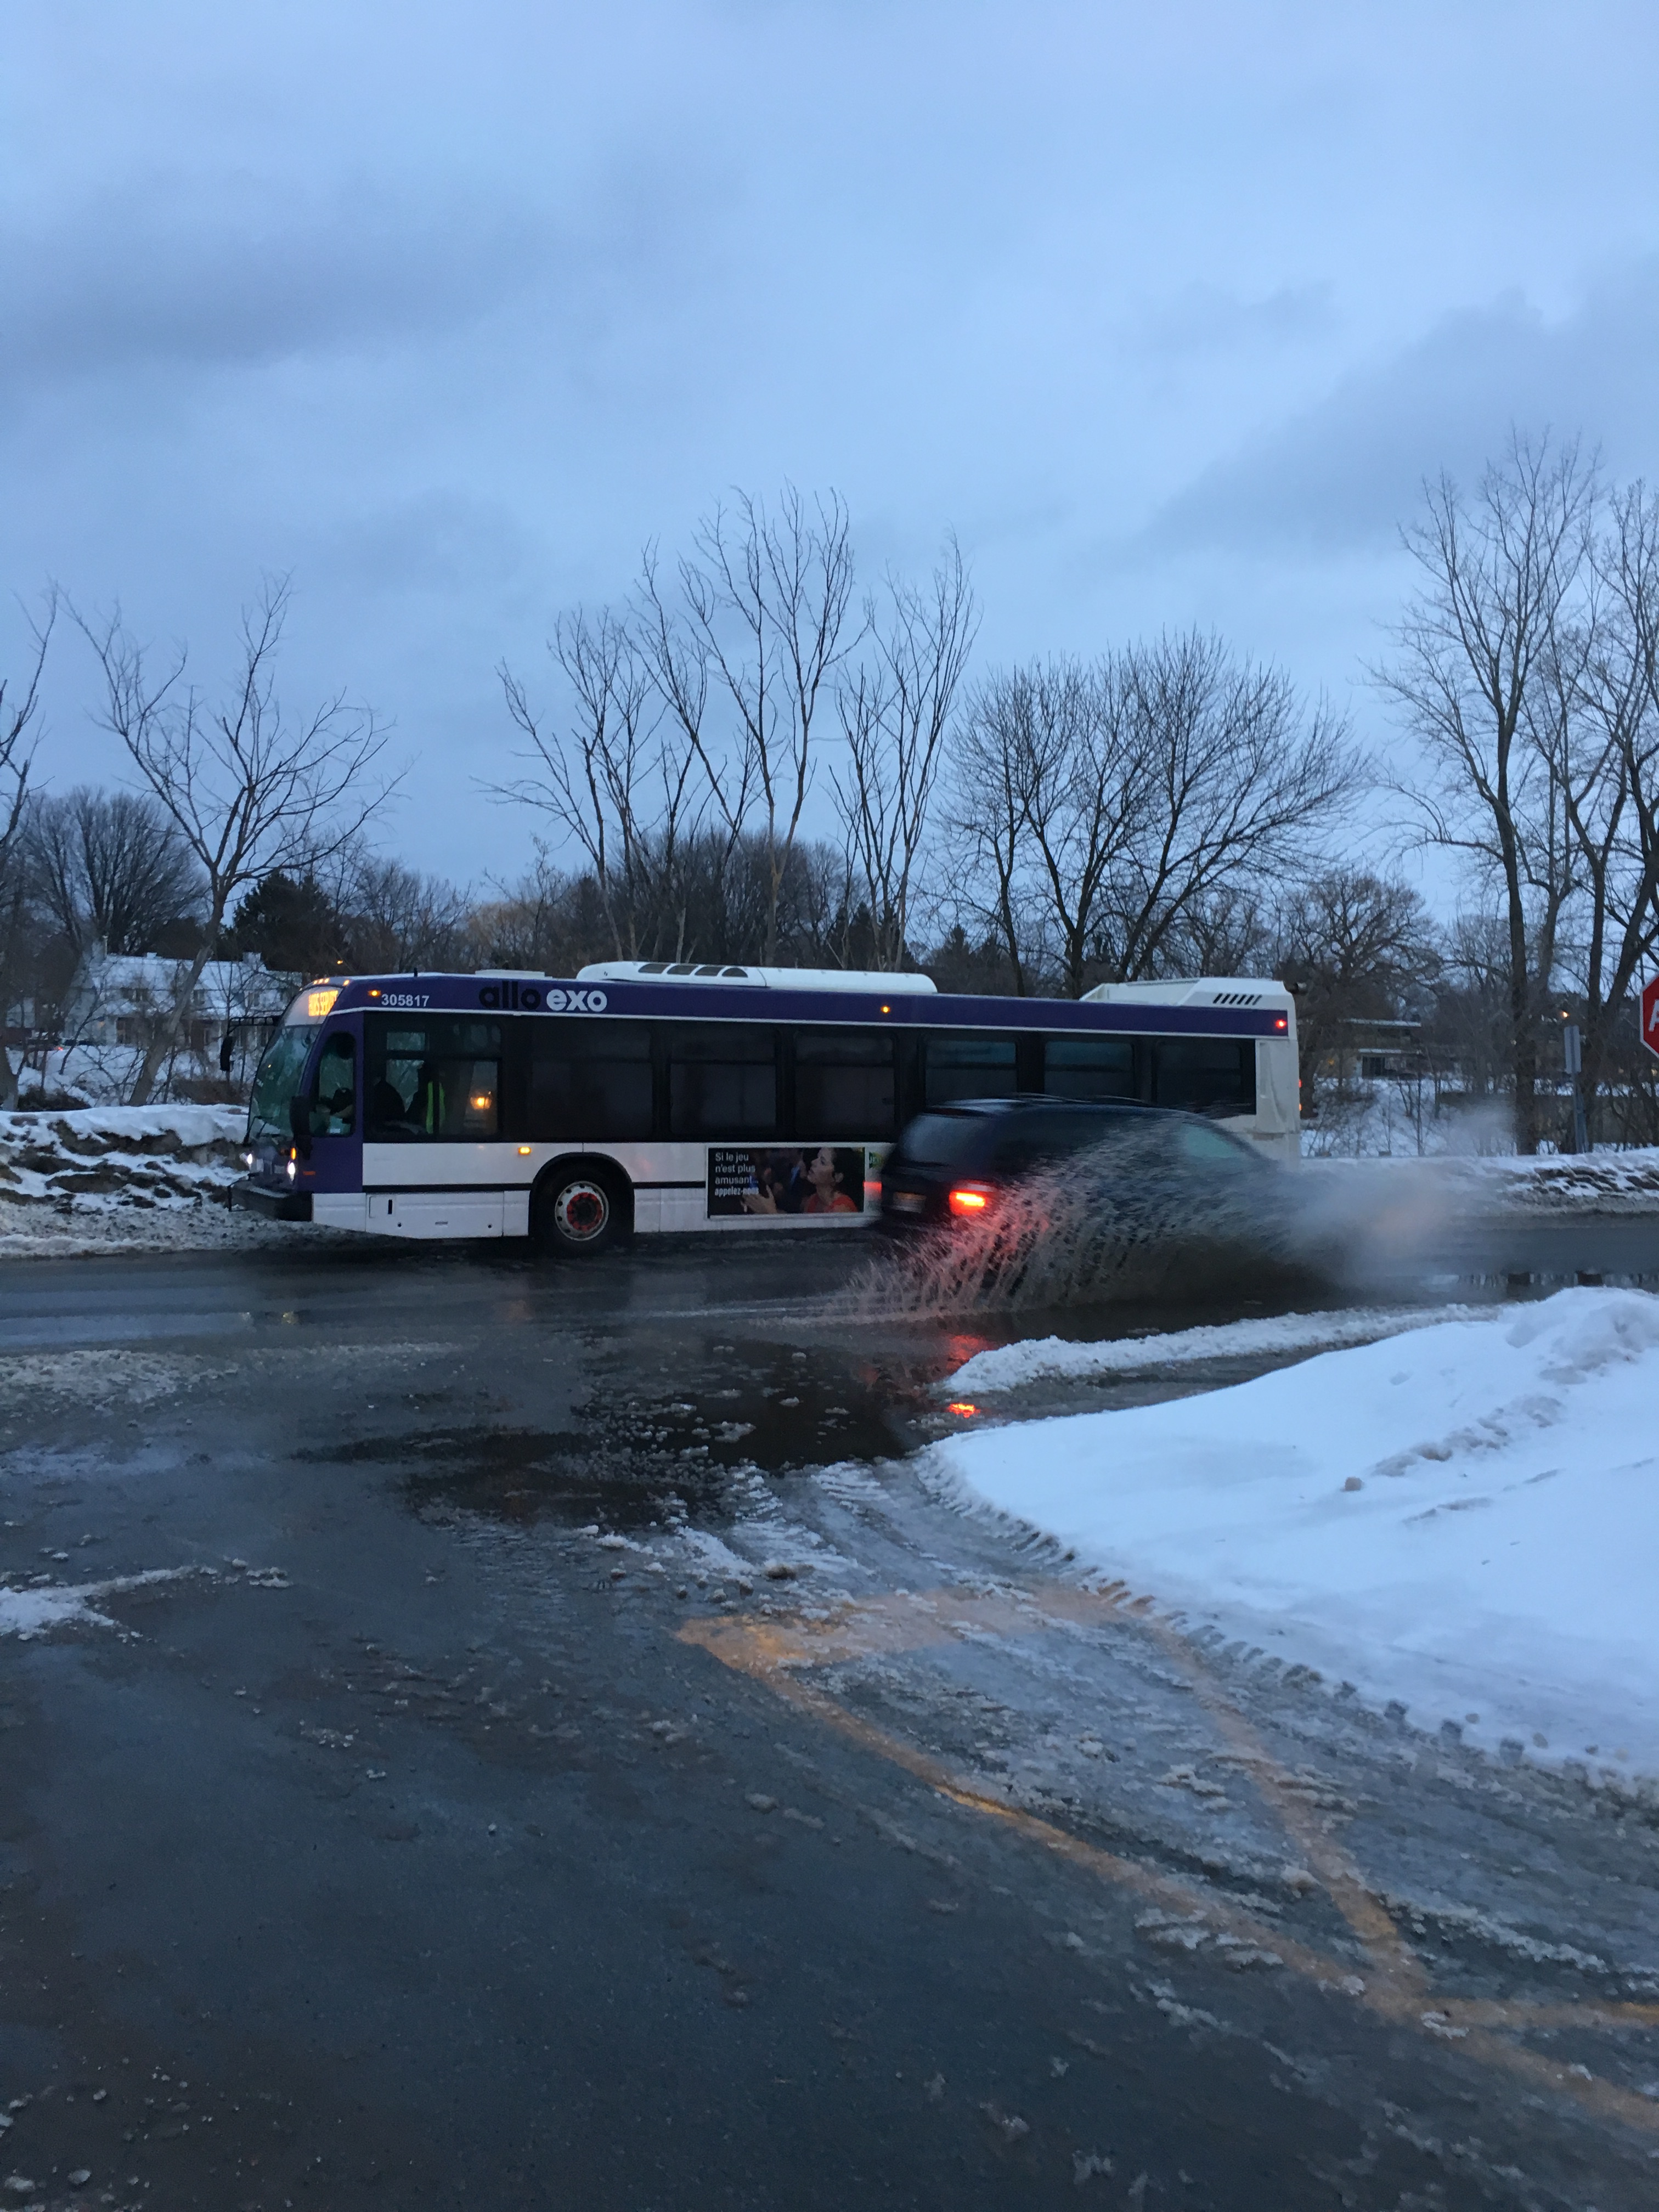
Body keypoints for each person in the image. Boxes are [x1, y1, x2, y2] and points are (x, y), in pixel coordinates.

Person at [802, 1144, 858, 1214]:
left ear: (838, 1177)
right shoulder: (811, 1201)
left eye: (822, 1162)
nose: (813, 1162)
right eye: (817, 1158)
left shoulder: (841, 1209)